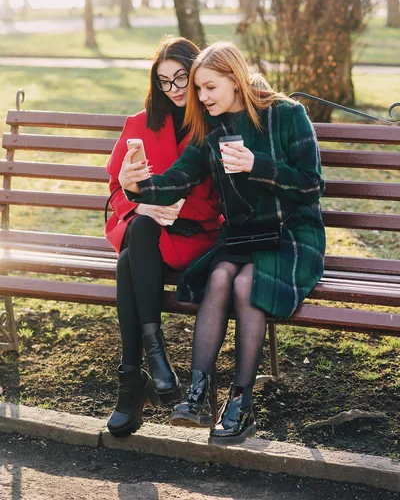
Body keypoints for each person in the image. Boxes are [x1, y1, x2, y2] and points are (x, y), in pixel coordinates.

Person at [118, 41, 326, 445]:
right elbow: (180, 177)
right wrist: (138, 186)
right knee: (219, 277)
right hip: (246, 234)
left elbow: (313, 185)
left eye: (209, 87)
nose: (201, 97)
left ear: (235, 79)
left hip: (292, 235)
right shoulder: (211, 130)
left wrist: (257, 165)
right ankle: (196, 396)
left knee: (247, 283)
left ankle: (240, 403)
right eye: (198, 89)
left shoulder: (286, 114)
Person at [105, 36, 223, 438]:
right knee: (139, 231)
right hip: (146, 235)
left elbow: (223, 195)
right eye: (163, 82)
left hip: (194, 238)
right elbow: (116, 189)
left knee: (129, 257)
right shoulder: (139, 124)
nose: (173, 89)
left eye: (181, 79)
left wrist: (169, 208)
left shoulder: (211, 121)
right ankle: (150, 364)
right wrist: (138, 204)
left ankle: (134, 383)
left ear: (196, 76)